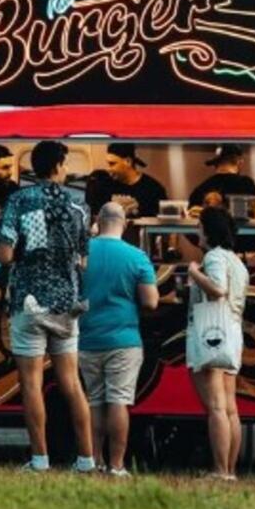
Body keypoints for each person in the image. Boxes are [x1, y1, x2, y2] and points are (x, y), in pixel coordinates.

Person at [0, 140, 96, 473]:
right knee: (71, 383)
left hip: (29, 301)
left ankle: (39, 460)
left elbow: (5, 254)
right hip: (67, 304)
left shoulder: (19, 201)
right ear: (58, 165)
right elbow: (83, 258)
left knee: (31, 384)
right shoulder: (80, 205)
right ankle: (86, 459)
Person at [79, 202, 159, 476]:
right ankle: (116, 465)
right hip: (124, 339)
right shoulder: (137, 256)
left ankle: (94, 461)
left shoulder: (82, 253)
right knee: (119, 400)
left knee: (94, 401)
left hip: (86, 339)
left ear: (97, 221)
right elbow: (151, 302)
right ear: (124, 224)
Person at [186, 206, 249, 480]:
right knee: (230, 407)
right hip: (233, 332)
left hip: (212, 332)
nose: (197, 231)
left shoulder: (213, 257)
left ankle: (220, 470)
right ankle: (231, 470)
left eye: (200, 226)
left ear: (209, 230)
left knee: (215, 407)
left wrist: (194, 273)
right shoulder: (237, 261)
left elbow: (218, 290)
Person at [86, 143, 168, 218]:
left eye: (112, 164)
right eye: (108, 164)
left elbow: (163, 224)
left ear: (128, 162)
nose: (109, 169)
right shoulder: (104, 184)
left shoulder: (153, 189)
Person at [188, 144, 255, 210]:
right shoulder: (247, 183)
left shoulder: (200, 189)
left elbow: (192, 214)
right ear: (239, 162)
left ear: (215, 164)